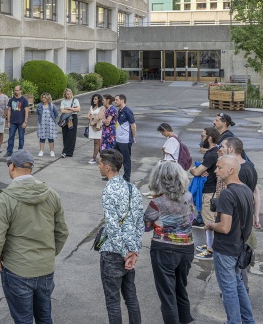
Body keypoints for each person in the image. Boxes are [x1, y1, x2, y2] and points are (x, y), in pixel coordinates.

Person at [0, 150, 69, 323]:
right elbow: (62, 232)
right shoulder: (51, 194)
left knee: (23, 319)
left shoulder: (5, 199)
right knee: (45, 317)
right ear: (30, 168)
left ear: (12, 167)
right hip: (45, 268)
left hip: (18, 268)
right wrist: (48, 254)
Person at [205, 155, 256, 323]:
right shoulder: (246, 190)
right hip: (238, 246)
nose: (215, 170)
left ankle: (234, 321)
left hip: (226, 249)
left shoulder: (227, 194)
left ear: (231, 170)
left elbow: (224, 227)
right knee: (238, 284)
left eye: (219, 167)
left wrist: (211, 225)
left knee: (228, 289)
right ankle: (248, 320)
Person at [144, 161, 195, 324]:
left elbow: (146, 226)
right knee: (181, 289)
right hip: (187, 247)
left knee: (167, 294)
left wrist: (157, 223)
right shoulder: (188, 196)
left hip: (164, 249)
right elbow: (191, 218)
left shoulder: (157, 203)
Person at [97, 149, 143, 324]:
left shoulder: (109, 191)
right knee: (131, 297)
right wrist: (134, 251)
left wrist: (124, 252)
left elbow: (112, 226)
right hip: (130, 250)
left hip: (113, 252)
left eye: (100, 163)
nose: (99, 166)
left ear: (108, 168)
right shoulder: (132, 188)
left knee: (113, 301)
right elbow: (140, 221)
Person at [219, 137, 261, 293]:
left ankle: (240, 291)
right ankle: (242, 289)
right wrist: (256, 216)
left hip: (237, 224)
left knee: (237, 261)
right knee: (242, 258)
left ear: (230, 149)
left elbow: (237, 201)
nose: (220, 148)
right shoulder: (250, 167)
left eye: (222, 146)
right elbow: (256, 193)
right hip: (247, 221)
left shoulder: (236, 172)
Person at [190, 127, 221, 260]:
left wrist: (194, 169)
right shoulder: (213, 153)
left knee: (209, 222)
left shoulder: (212, 154)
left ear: (210, 138)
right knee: (208, 221)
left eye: (203, 136)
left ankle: (211, 250)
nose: (201, 139)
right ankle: (209, 245)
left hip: (209, 193)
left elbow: (196, 172)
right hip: (208, 191)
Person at [114, 94, 136, 182]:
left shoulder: (127, 111)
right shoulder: (120, 111)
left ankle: (126, 178)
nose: (115, 101)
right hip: (118, 139)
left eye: (116, 100)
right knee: (114, 157)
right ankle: (114, 175)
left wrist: (133, 137)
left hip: (125, 140)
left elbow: (133, 125)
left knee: (126, 160)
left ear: (122, 100)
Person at [5, 85, 29, 158]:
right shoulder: (11, 100)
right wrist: (8, 121)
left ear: (20, 91)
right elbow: (9, 110)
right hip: (12, 122)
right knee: (11, 137)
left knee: (21, 137)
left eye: (17, 90)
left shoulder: (24, 100)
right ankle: (9, 151)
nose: (16, 92)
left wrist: (25, 121)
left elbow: (26, 111)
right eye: (15, 90)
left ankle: (20, 152)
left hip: (21, 122)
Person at [36, 92, 59, 157]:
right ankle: (41, 151)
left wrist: (52, 120)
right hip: (42, 124)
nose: (43, 99)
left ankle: (52, 151)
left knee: (50, 138)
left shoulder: (52, 105)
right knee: (42, 137)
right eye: (42, 97)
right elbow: (38, 113)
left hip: (50, 124)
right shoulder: (40, 106)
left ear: (48, 98)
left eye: (45, 98)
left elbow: (56, 113)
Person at [59, 88, 80, 158]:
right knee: (65, 134)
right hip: (65, 118)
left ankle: (69, 152)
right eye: (67, 94)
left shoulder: (75, 100)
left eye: (70, 93)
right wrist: (72, 110)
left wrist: (69, 108)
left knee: (72, 134)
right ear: (65, 94)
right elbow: (62, 111)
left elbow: (78, 109)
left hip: (73, 118)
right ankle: (65, 150)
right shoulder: (63, 101)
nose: (69, 95)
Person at [87, 94, 105, 164]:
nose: (94, 100)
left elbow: (99, 117)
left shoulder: (102, 107)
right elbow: (88, 116)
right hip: (92, 126)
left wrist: (92, 117)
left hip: (98, 127)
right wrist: (93, 117)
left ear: (99, 100)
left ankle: (94, 158)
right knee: (98, 143)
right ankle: (103, 157)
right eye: (93, 99)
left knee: (96, 142)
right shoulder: (92, 107)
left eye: (96, 99)